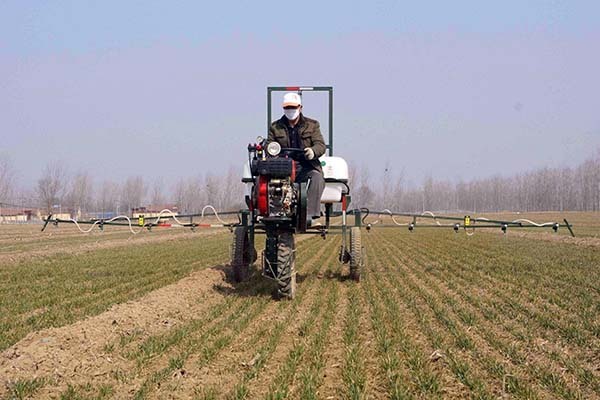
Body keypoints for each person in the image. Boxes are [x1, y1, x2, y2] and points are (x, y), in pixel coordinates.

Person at [268, 92, 326, 227]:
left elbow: (320, 145)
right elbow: (270, 145)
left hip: (306, 166)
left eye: (293, 107)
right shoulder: (275, 126)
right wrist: (271, 149)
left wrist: (313, 151)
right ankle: (275, 212)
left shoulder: (312, 125)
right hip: (283, 168)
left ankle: (309, 215)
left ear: (300, 107)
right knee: (268, 182)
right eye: (287, 108)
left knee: (317, 178)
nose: (290, 111)